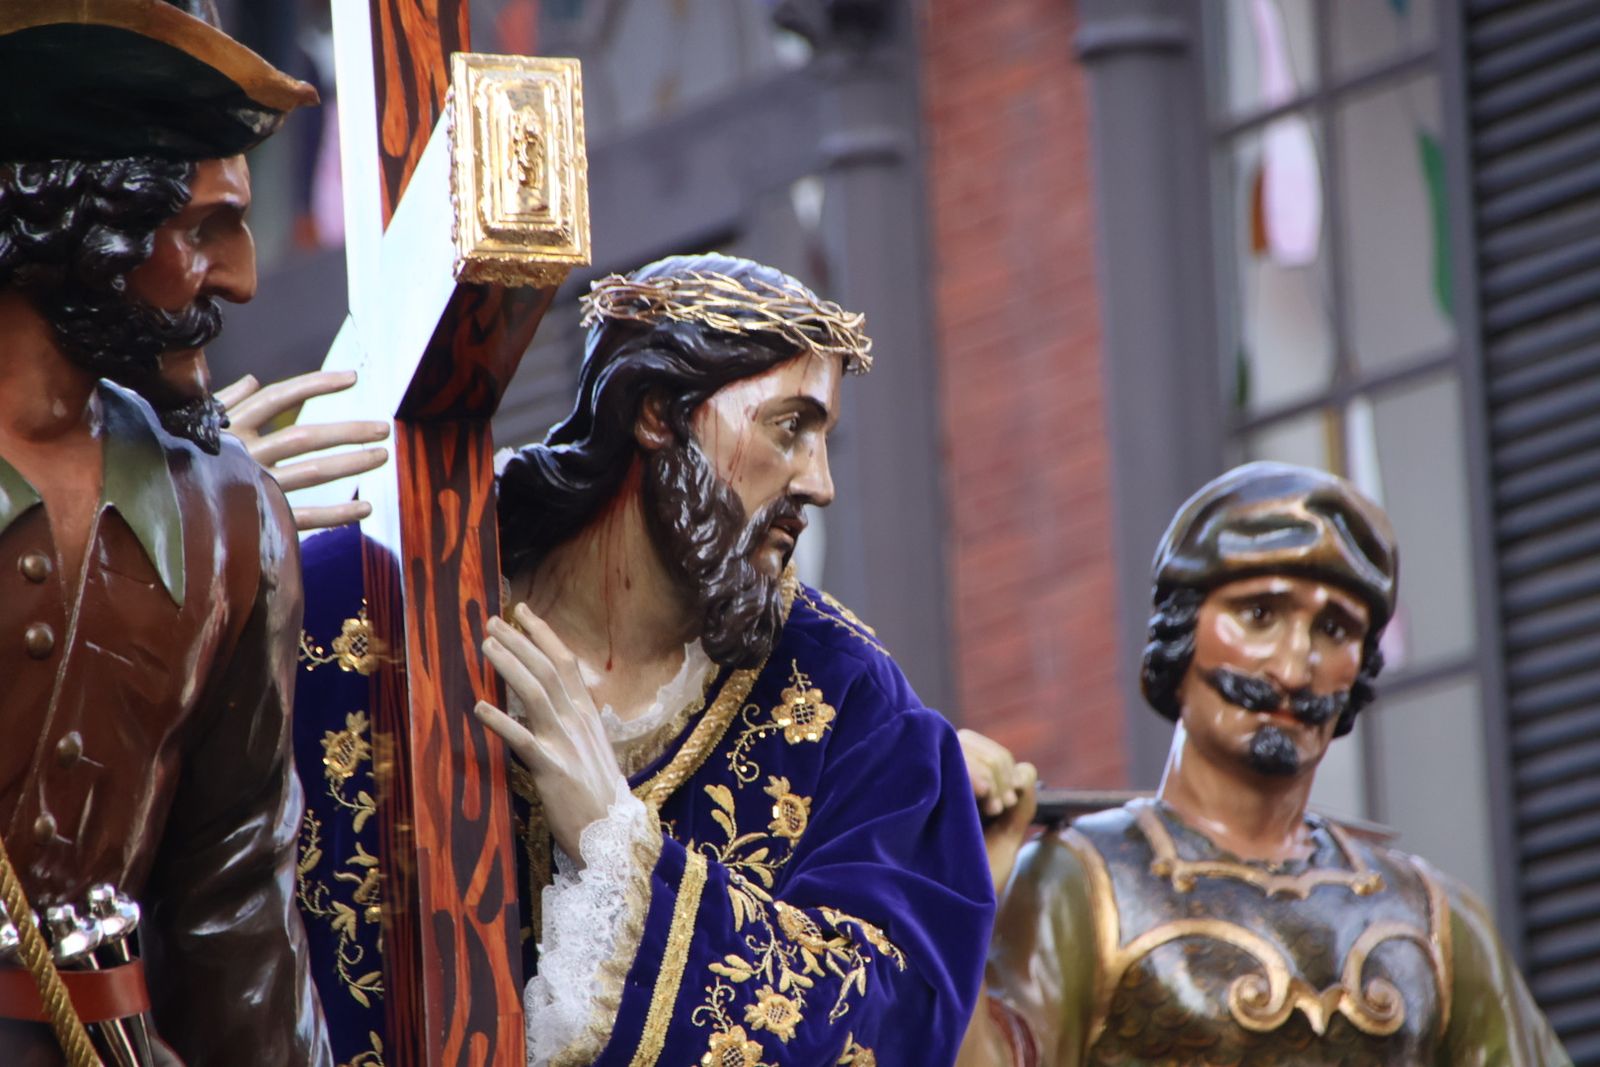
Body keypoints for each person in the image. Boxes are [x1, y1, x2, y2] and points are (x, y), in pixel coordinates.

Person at [472, 253, 994, 1066]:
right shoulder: (392, 601)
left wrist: (615, 847)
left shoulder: (850, 701)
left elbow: (890, 1019)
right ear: (655, 414)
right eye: (789, 428)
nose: (819, 484)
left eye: (823, 439)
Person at [958, 461, 1572, 1067]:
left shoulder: (1433, 921)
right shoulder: (1078, 883)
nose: (1292, 668)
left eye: (1334, 629)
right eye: (1259, 616)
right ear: (1181, 629)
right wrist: (951, 893)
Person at [0, 1, 332, 1062]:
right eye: (203, 231)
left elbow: (238, 906)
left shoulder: (231, 512)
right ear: (80, 226)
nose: (237, 278)